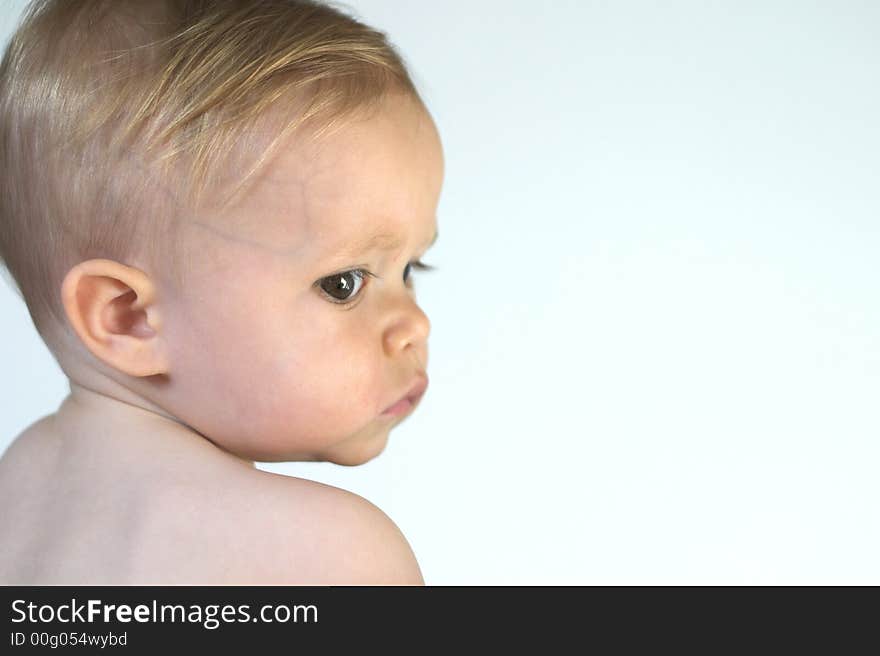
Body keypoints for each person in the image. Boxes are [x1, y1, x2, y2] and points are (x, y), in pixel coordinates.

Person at [0, 0, 443, 584]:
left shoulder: (20, 486)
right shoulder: (329, 554)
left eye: (411, 267)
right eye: (344, 284)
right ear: (129, 318)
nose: (415, 324)